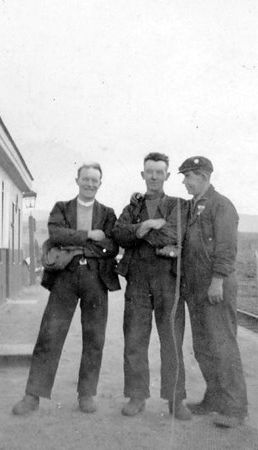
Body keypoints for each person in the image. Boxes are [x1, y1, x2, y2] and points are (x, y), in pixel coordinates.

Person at [12, 162, 120, 415]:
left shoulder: (107, 213)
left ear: (100, 184)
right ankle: (33, 396)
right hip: (65, 278)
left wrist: (76, 247)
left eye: (95, 180)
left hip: (96, 278)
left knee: (94, 337)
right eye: (86, 179)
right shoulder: (61, 208)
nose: (90, 184)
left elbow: (112, 246)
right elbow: (56, 235)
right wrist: (88, 237)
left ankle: (86, 394)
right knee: (50, 334)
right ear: (77, 180)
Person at [112, 152, 191, 420]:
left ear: (167, 176)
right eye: (150, 171)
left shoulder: (178, 205)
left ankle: (175, 399)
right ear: (142, 174)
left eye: (159, 172)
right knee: (135, 340)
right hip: (137, 280)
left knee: (172, 341)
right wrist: (146, 224)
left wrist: (140, 234)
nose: (154, 176)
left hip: (169, 280)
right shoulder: (132, 207)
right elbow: (119, 234)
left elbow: (175, 233)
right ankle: (137, 396)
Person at [178, 156, 248, 428]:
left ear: (204, 176)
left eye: (188, 177)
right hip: (196, 288)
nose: (184, 182)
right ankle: (215, 399)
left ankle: (235, 408)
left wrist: (218, 280)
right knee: (203, 347)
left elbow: (227, 248)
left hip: (215, 286)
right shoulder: (193, 206)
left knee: (223, 346)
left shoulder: (222, 206)